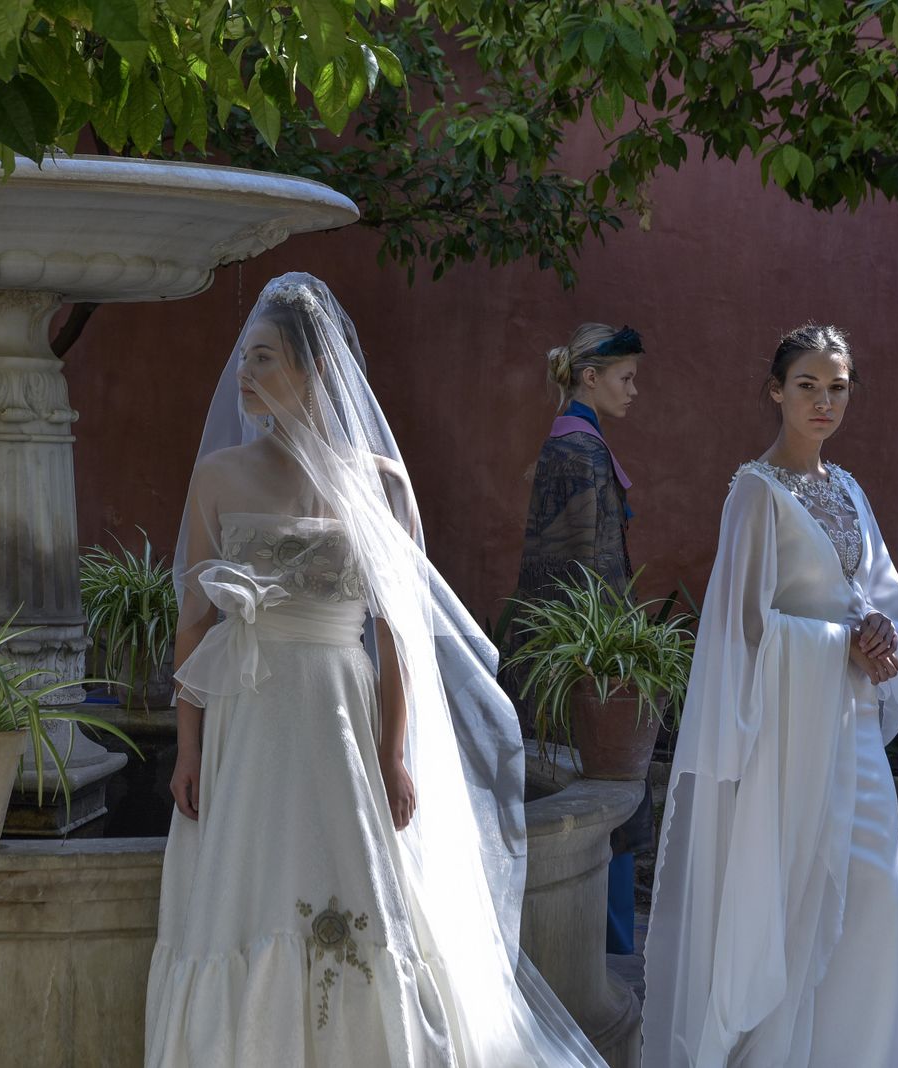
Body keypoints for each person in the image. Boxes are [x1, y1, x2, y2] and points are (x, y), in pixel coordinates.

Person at [144, 274, 605, 1066]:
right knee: (243, 898)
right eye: (245, 358)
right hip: (247, 724)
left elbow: (397, 636)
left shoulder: (381, 482)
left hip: (339, 715)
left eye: (264, 359)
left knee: (356, 884)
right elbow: (194, 623)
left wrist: (393, 752)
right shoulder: (218, 476)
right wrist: (188, 746)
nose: (245, 376)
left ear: (315, 368)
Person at [641, 325, 898, 1067]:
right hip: (792, 742)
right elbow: (742, 627)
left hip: (854, 734)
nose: (824, 402)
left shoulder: (849, 488)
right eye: (808, 386)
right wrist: (838, 648)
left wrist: (883, 637)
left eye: (838, 387)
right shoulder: (755, 494)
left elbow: (882, 595)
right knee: (797, 908)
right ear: (776, 391)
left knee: (869, 899)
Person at [512, 322, 651, 956]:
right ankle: (601, 941)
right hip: (584, 650)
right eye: (625, 378)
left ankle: (603, 936)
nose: (634, 391)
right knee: (599, 783)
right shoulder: (579, 450)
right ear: (589, 378)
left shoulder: (577, 443)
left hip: (578, 643)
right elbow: (577, 569)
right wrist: (608, 651)